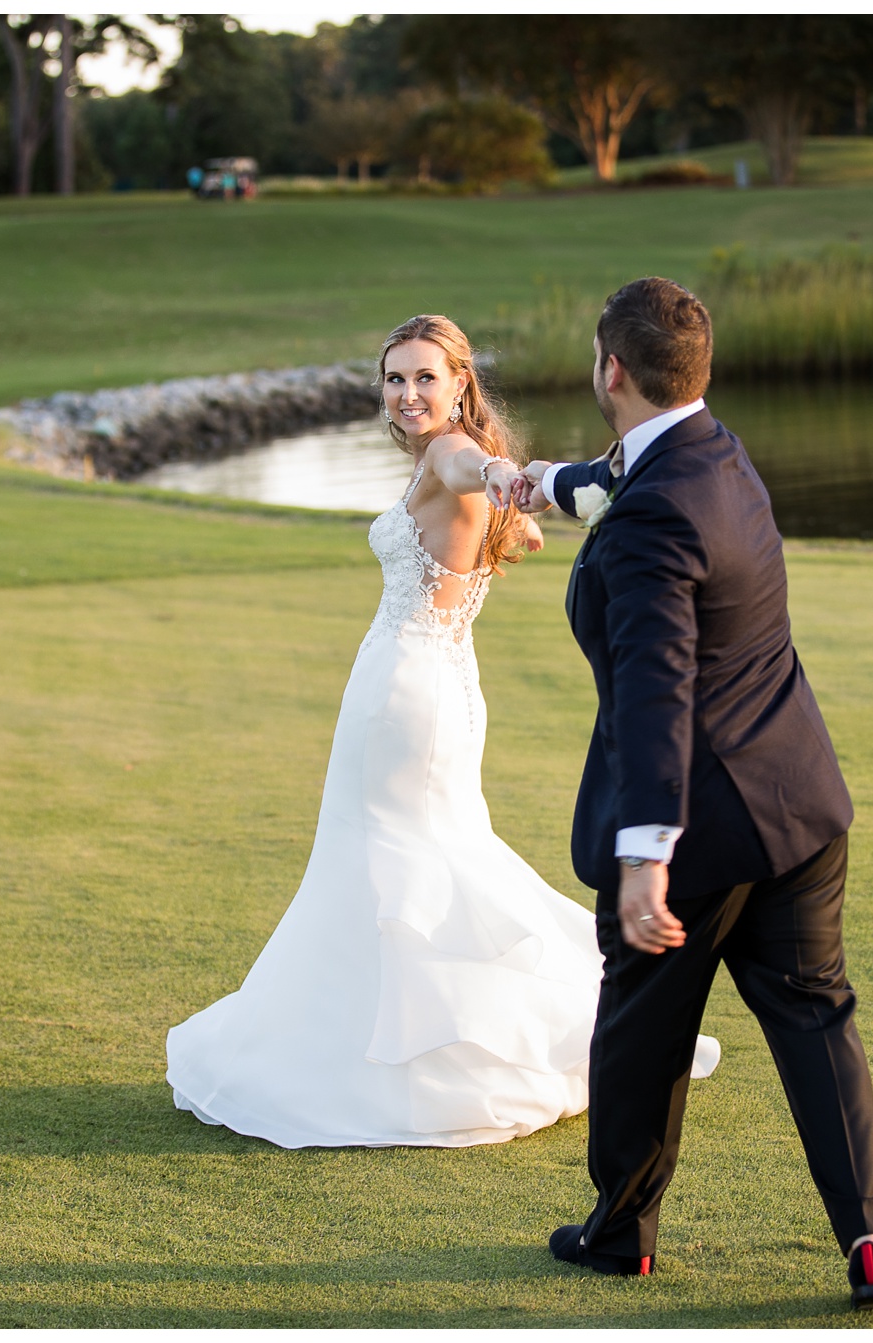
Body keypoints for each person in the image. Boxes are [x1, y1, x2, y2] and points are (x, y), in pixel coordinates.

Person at [164, 314, 719, 1149]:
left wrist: (501, 474)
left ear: (461, 383)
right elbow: (516, 527)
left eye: (426, 376)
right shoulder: (448, 463)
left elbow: (478, 468)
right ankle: (473, 1036)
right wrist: (515, 512)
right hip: (440, 687)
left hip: (406, 692)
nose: (408, 393)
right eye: (395, 378)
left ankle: (405, 1062)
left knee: (388, 859)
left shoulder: (454, 454)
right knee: (430, 853)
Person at [511, 278, 873, 1309]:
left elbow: (656, 692)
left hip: (698, 829)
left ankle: (619, 1233)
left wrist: (645, 857)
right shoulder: (716, 454)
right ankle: (867, 1241)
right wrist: (537, 482)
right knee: (816, 1020)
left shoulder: (649, 520)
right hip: (798, 805)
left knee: (639, 1031)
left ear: (610, 368)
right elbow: (610, 476)